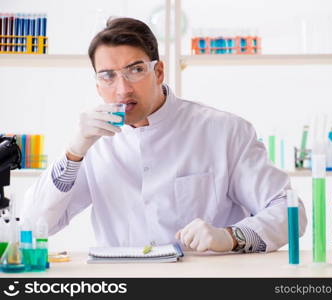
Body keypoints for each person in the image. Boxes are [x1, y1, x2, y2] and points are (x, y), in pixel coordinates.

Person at [23, 18, 307, 253]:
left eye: (135, 70)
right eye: (108, 75)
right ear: (98, 85)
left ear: (158, 72)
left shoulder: (224, 131)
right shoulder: (92, 143)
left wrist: (232, 236)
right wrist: (73, 153)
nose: (122, 89)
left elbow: (291, 213)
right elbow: (34, 225)